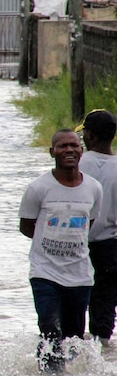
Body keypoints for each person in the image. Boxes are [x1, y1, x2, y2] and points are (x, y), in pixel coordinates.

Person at [19, 129, 102, 372]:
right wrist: (51, 241)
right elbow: (26, 226)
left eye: (73, 146)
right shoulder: (38, 188)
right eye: (62, 146)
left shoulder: (94, 188)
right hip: (45, 272)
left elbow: (89, 224)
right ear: (52, 152)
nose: (68, 150)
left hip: (80, 275)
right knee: (49, 327)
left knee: (73, 336)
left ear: (81, 151)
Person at [76, 110, 117, 344]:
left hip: (79, 243)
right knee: (104, 308)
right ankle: (103, 360)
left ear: (89, 136)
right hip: (111, 247)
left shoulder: (78, 164)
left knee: (76, 302)